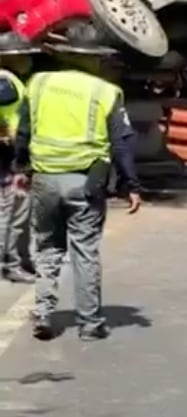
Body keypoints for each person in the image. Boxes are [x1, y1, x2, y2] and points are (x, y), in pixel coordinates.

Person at [14, 53, 142, 342]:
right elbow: (121, 144)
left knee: (48, 247)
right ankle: (89, 324)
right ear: (95, 61)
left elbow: (24, 132)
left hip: (45, 179)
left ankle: (44, 314)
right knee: (84, 252)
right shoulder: (105, 92)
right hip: (86, 182)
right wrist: (130, 184)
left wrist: (20, 167)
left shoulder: (39, 83)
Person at [0, 62, 31, 284]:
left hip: (9, 151)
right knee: (12, 213)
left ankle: (17, 261)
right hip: (10, 154)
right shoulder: (5, 81)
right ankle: (11, 264)